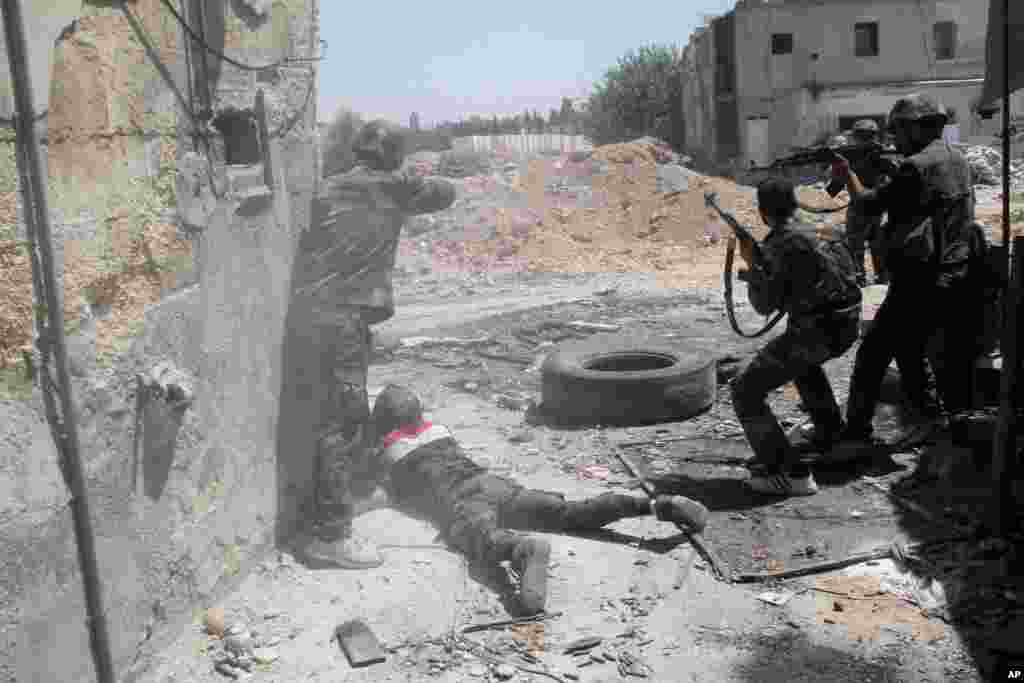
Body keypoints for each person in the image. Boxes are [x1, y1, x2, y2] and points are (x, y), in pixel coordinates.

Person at [344, 384, 711, 615]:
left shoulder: (387, 452)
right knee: (568, 511)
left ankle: (521, 550)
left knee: (477, 538)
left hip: (462, 498)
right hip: (494, 483)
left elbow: (381, 493)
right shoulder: (440, 430)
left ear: (384, 423)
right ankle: (653, 505)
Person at [293, 121, 456, 568]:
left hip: (317, 318)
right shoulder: (393, 188)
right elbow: (447, 193)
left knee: (346, 412)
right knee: (338, 424)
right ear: (394, 157)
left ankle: (352, 496)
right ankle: (329, 536)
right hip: (338, 320)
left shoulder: (329, 188)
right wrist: (409, 178)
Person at [831, 94, 982, 452]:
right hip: (953, 272)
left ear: (918, 127)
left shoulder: (916, 166)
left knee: (872, 355)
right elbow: (920, 201)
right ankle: (931, 420)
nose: (895, 136)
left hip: (921, 278)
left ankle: (856, 435)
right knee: (910, 351)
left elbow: (868, 204)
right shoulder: (957, 160)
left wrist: (846, 174)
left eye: (898, 128)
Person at [729, 178, 863, 496]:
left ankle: (788, 473)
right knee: (802, 363)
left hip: (818, 332)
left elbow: (764, 306)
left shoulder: (781, 242)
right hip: (847, 324)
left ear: (763, 213)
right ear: (795, 203)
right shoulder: (826, 225)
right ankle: (830, 434)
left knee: (745, 388)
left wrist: (753, 263)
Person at [842, 119, 896, 286]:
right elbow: (897, 175)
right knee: (877, 245)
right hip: (877, 207)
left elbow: (833, 187)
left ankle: (860, 278)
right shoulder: (880, 156)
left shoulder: (856, 158)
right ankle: (882, 277)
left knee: (856, 246)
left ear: (857, 137)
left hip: (859, 208)